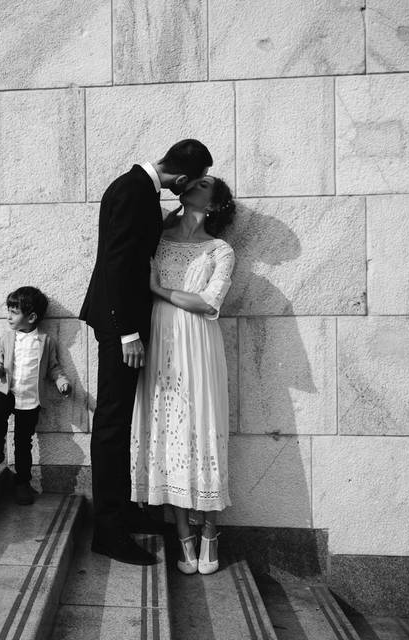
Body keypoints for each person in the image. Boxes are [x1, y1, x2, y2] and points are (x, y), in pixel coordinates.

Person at [80, 139, 213, 565]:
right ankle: (108, 531)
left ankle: (125, 515)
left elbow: (132, 251)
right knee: (113, 425)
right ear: (183, 179)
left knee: (122, 422)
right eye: (189, 186)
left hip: (124, 322)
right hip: (120, 325)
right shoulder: (134, 191)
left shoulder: (138, 188)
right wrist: (126, 334)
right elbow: (118, 263)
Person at [131, 176, 236, 575]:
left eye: (204, 184)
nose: (193, 184)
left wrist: (158, 290)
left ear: (214, 203)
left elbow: (210, 303)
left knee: (203, 426)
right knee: (167, 427)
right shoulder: (156, 238)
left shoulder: (219, 250)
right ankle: (182, 534)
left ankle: (210, 529)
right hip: (161, 339)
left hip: (200, 344)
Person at [0, 286, 71, 505]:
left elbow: (54, 368)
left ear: (31, 317)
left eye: (14, 312)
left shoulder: (46, 341)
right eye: (8, 310)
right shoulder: (7, 338)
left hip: (30, 399)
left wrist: (62, 382)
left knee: (23, 442)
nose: (8, 316)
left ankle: (22, 482)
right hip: (7, 391)